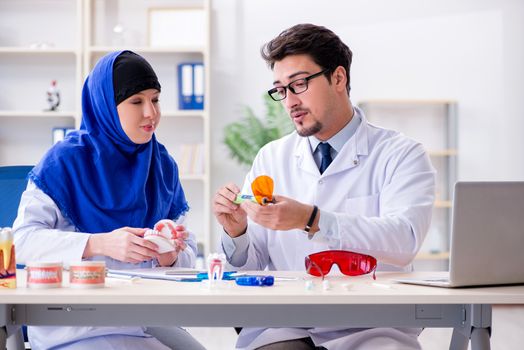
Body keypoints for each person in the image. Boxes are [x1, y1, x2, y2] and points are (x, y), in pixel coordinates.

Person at [213, 24, 436, 350]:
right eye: (281, 89)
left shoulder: (400, 154)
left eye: (299, 84)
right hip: (286, 325)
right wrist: (237, 234)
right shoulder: (271, 157)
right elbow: (250, 268)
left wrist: (313, 219)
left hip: (371, 326)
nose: (289, 101)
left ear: (338, 78)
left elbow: (404, 240)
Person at [13, 51, 205, 350]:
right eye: (136, 102)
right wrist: (99, 243)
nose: (150, 113)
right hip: (76, 323)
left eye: (155, 99)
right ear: (105, 106)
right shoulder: (64, 160)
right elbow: (22, 241)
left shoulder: (162, 163)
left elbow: (187, 255)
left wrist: (170, 254)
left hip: (147, 319)